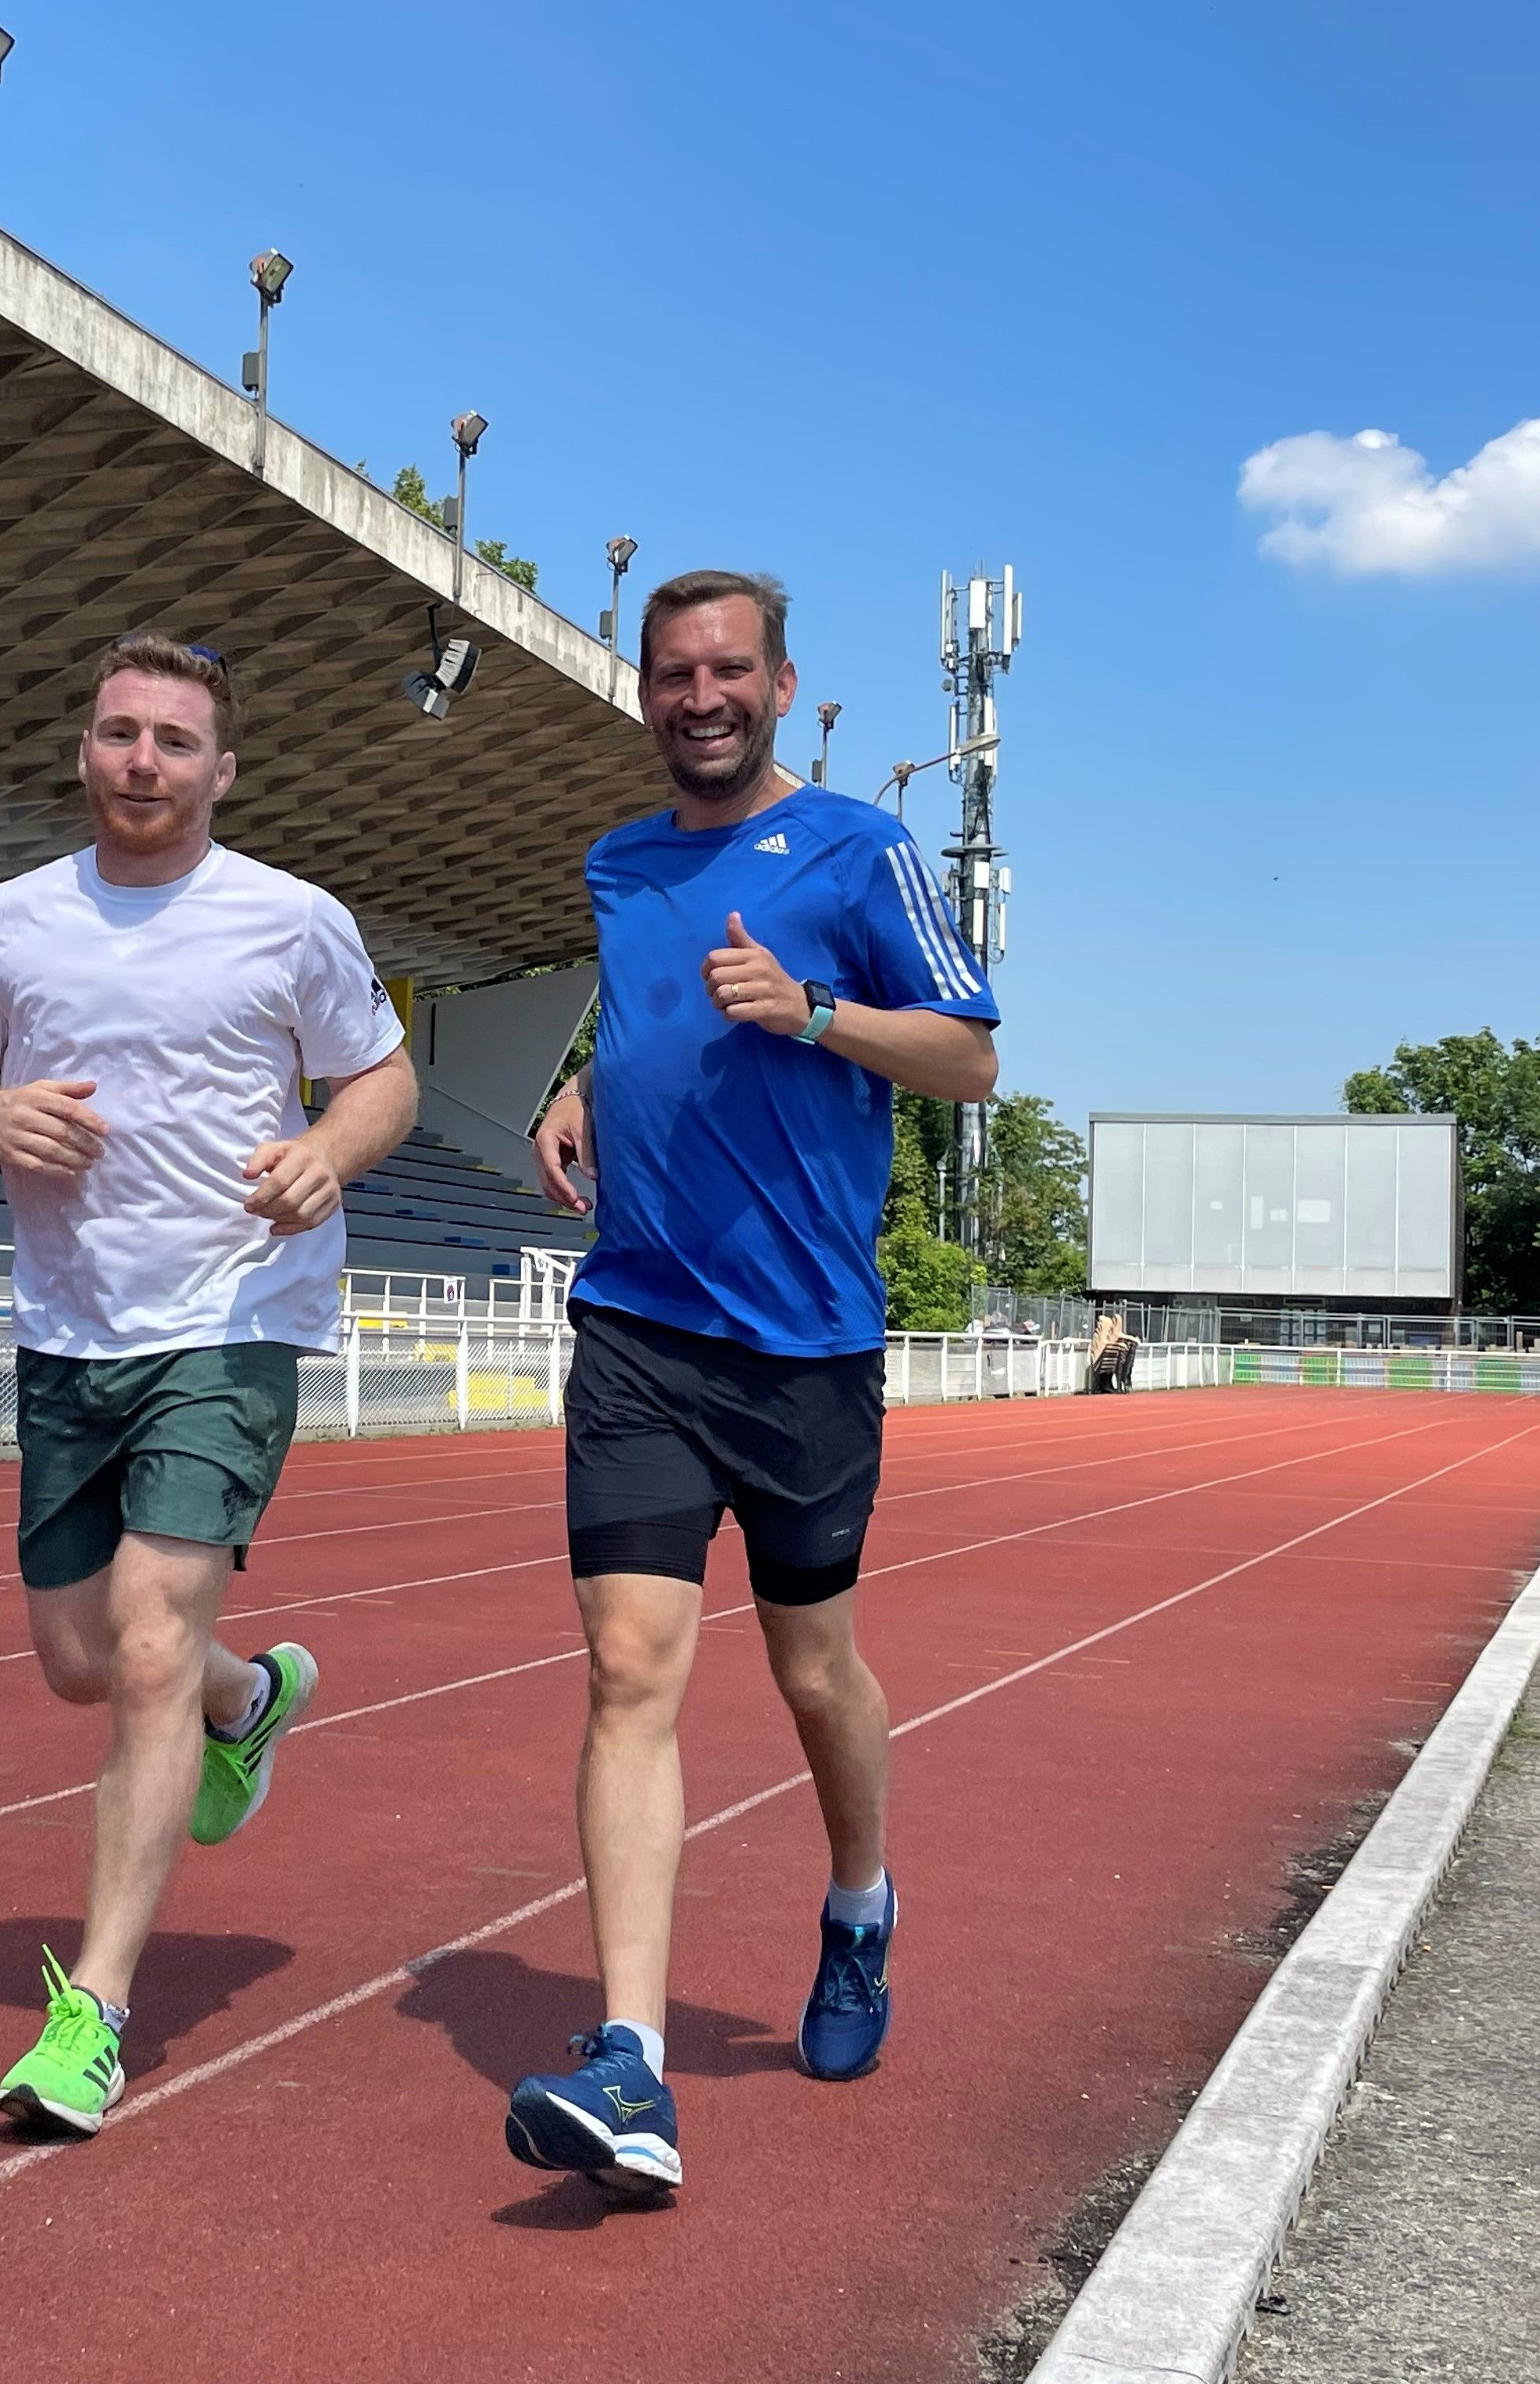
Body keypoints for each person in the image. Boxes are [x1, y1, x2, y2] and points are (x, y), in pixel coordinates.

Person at [508, 570, 1000, 2194]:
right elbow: (642, 1004)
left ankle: (860, 1901)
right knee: (628, 1671)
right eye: (671, 673)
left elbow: (972, 1056)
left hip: (803, 1345)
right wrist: (582, 1081)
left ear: (779, 684)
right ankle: (631, 2060)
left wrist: (814, 1012)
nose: (698, 696)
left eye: (727, 670)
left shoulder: (862, 849)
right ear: (645, 691)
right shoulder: (617, 860)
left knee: (809, 1673)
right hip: (640, 1323)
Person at [0, 635, 418, 2138]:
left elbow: (382, 1079)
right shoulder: (6, 925)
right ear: (83, 749)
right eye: (120, 733)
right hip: (70, 1331)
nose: (144, 761)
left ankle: (96, 2012)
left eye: (175, 742)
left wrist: (329, 1151)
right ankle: (249, 1700)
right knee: (76, 1658)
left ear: (221, 771)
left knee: (140, 1640)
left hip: (233, 1315)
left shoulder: (291, 921)